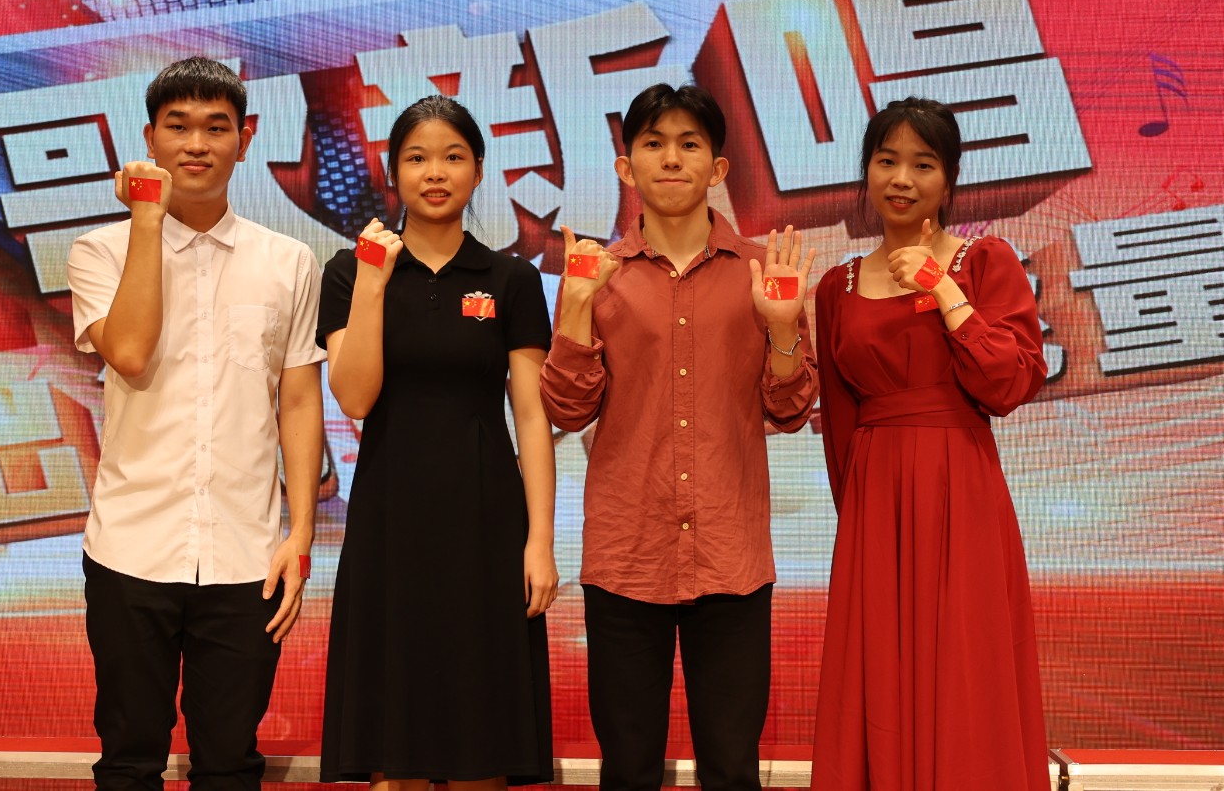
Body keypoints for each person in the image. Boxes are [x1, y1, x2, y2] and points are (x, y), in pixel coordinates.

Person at [541, 82, 819, 791]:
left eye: (690, 144)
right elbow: (568, 411)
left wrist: (783, 330)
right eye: (654, 144)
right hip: (626, 556)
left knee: (731, 768)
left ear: (718, 168)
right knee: (628, 768)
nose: (672, 159)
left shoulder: (763, 273)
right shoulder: (596, 275)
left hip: (730, 556)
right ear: (625, 166)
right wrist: (575, 311)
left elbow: (790, 410)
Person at [66, 56, 326, 791]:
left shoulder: (289, 261)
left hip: (248, 555)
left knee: (229, 763)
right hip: (130, 547)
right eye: (177, 127)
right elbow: (129, 351)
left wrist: (300, 536)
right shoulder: (99, 251)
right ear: (149, 137)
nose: (197, 144)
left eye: (216, 127)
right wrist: (146, 219)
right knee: (129, 760)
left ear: (245, 139)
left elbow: (298, 401)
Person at [808, 97, 1049, 791]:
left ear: (949, 180)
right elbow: (841, 419)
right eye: (887, 161)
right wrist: (859, 518)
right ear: (866, 172)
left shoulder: (985, 261)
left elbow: (1008, 383)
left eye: (923, 164)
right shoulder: (837, 286)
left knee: (966, 663)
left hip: (960, 487)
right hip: (874, 502)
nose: (902, 179)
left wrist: (945, 291)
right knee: (876, 667)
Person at [317, 95, 556, 790]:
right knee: (395, 752)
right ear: (393, 171)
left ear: (478, 169)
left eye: (453, 157)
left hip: (486, 525)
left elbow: (532, 417)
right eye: (417, 158)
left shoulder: (511, 279)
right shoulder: (349, 272)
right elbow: (355, 397)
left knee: (483, 746)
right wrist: (371, 281)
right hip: (389, 524)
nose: (435, 173)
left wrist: (540, 542)